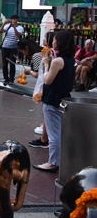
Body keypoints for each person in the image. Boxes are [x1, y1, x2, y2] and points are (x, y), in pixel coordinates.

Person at [33, 30, 75, 173]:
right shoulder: (70, 60)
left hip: (52, 99)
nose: (53, 41)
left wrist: (46, 64)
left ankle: (53, 162)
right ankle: (58, 160)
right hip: (63, 97)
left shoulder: (57, 61)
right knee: (59, 130)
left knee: (53, 133)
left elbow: (48, 80)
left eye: (55, 39)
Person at [17, 39, 47, 149]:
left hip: (45, 83)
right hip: (47, 82)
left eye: (22, 51)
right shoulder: (41, 52)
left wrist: (29, 72)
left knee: (46, 108)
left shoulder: (37, 55)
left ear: (26, 48)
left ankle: (45, 132)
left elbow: (39, 74)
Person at [0, 14, 24, 85]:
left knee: (12, 63)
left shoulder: (20, 28)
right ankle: (6, 78)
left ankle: (11, 79)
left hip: (13, 48)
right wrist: (4, 23)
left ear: (17, 20)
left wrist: (14, 27)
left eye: (15, 19)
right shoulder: (8, 26)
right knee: (4, 64)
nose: (13, 21)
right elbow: (1, 32)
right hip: (5, 47)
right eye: (12, 19)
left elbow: (18, 35)